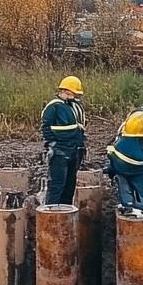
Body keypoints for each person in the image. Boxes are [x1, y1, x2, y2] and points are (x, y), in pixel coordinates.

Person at [41, 76, 87, 205]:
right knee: (57, 185)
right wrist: (52, 145)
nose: (75, 97)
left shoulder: (73, 106)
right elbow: (46, 127)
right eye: (73, 93)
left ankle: (66, 212)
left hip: (75, 149)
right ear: (64, 91)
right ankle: (51, 212)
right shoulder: (54, 106)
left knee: (69, 186)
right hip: (60, 150)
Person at [106, 111, 143, 213]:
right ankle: (141, 208)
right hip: (141, 170)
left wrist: (112, 171)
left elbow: (111, 161)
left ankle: (128, 203)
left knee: (123, 177)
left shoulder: (120, 142)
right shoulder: (140, 144)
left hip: (120, 166)